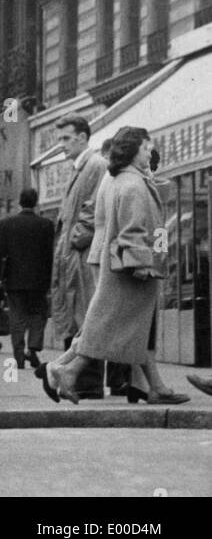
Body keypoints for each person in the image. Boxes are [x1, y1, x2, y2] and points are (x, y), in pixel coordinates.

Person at [40, 127, 189, 405]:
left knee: (120, 326)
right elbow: (133, 230)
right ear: (134, 151)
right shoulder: (132, 184)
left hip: (112, 262)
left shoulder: (117, 179)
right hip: (130, 268)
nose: (150, 152)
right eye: (146, 148)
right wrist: (149, 263)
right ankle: (65, 369)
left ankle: (153, 386)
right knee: (110, 326)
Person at [49, 114, 117, 399]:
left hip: (82, 255)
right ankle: (78, 380)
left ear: (82, 137)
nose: (61, 145)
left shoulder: (96, 165)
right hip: (73, 255)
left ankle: (87, 383)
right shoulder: (82, 167)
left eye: (66, 139)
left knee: (86, 313)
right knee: (78, 312)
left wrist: (77, 238)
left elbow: (93, 209)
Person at [0, 186, 55, 369]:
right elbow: (49, 254)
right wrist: (49, 278)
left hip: (13, 279)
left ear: (20, 202)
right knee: (38, 315)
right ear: (36, 202)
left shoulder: (6, 224)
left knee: (17, 316)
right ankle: (33, 348)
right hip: (39, 279)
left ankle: (18, 353)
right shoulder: (46, 225)